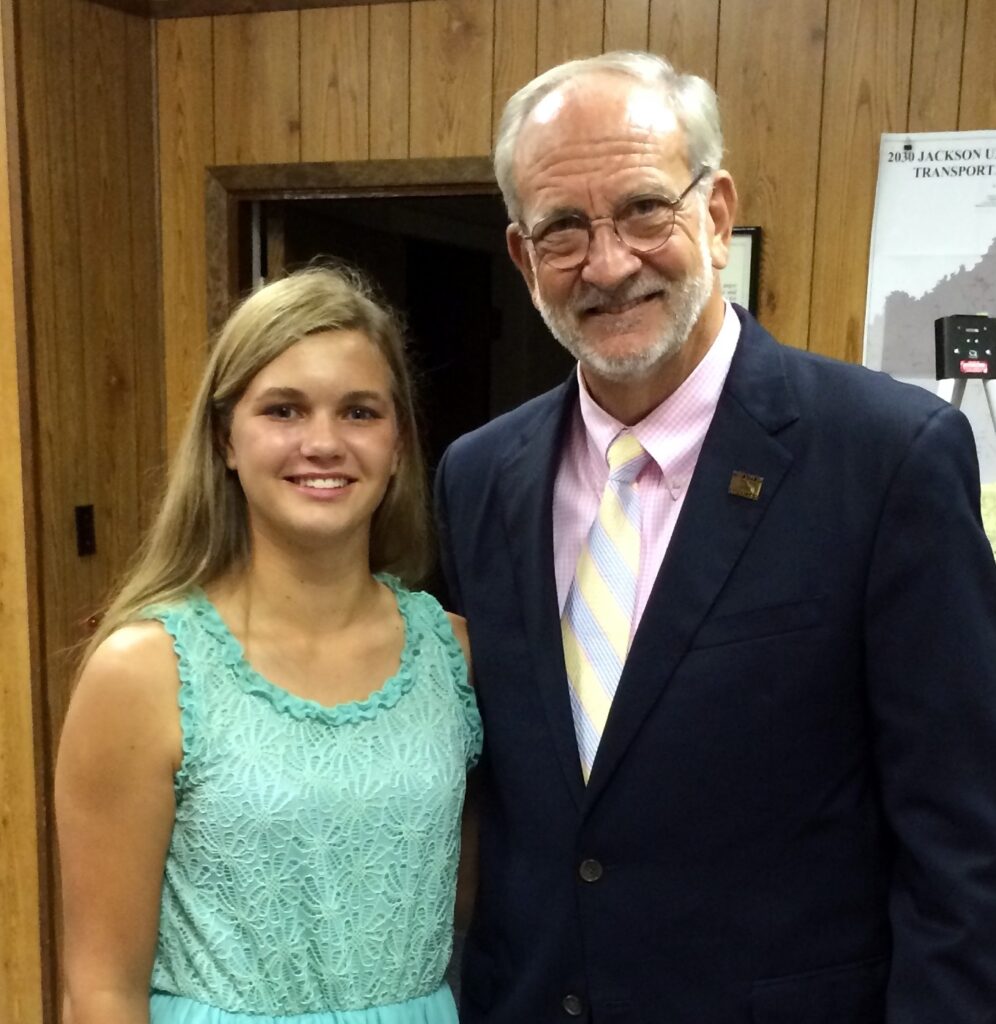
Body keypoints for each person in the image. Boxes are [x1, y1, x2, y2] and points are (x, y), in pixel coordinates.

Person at [434, 51, 996, 1022]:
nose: (609, 263)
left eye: (644, 210)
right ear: (523, 257)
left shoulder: (886, 459)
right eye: (564, 229)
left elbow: (965, 844)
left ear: (717, 211)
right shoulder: (478, 477)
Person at [56, 265, 482, 1024]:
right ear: (225, 438)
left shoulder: (455, 658)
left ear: (397, 445)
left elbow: (479, 905)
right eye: (284, 410)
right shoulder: (147, 670)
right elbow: (101, 989)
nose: (323, 443)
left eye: (359, 412)